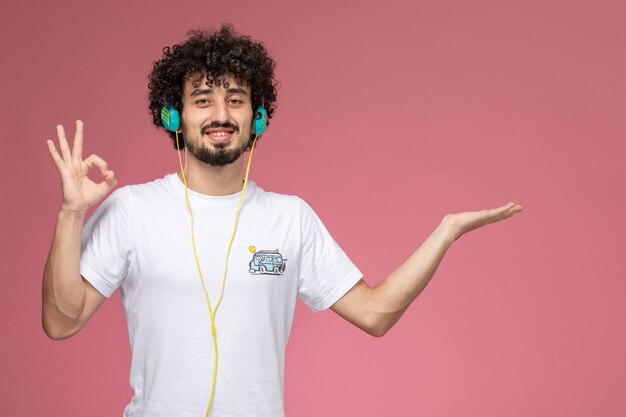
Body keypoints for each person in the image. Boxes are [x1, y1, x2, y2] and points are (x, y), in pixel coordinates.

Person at [42, 24, 523, 417]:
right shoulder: (131, 210)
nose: (220, 114)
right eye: (202, 99)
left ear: (258, 117)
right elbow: (61, 323)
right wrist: (71, 215)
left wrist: (447, 231)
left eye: (236, 99)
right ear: (173, 115)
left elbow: (375, 314)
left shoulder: (290, 218)